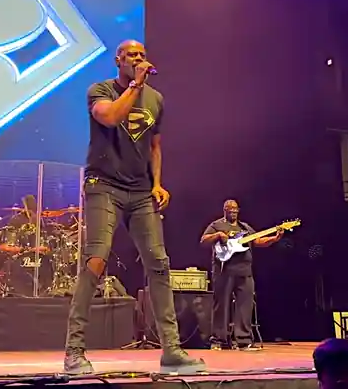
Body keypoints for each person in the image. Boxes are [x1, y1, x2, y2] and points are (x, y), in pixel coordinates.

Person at [64, 40, 204, 374]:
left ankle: (171, 350)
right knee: (96, 259)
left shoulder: (156, 99)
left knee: (159, 263)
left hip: (141, 191)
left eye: (142, 55)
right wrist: (135, 84)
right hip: (104, 185)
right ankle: (74, 351)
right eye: (132, 56)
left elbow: (155, 146)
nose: (139, 60)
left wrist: (157, 183)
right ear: (119, 60)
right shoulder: (100, 89)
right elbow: (110, 118)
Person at [200, 199, 282, 350]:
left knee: (245, 305)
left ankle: (244, 340)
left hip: (244, 271)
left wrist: (274, 238)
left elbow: (257, 241)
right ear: (224, 210)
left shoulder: (245, 227)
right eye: (230, 209)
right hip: (224, 270)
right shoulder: (216, 225)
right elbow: (204, 240)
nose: (233, 211)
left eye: (235, 209)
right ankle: (219, 340)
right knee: (221, 305)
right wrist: (218, 235)